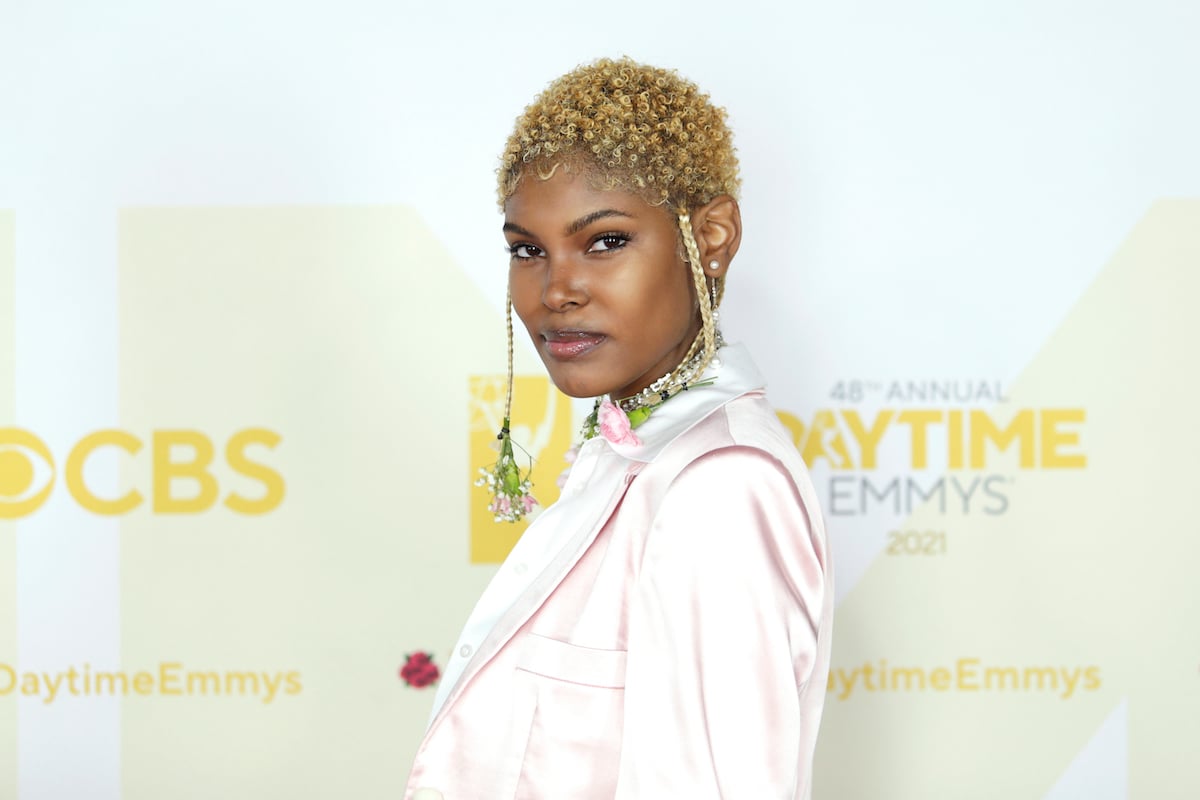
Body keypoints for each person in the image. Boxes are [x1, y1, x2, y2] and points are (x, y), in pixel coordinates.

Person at [405, 57, 833, 800]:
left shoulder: (717, 488)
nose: (557, 289)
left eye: (604, 241)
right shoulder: (631, 450)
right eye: (526, 249)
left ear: (712, 235)